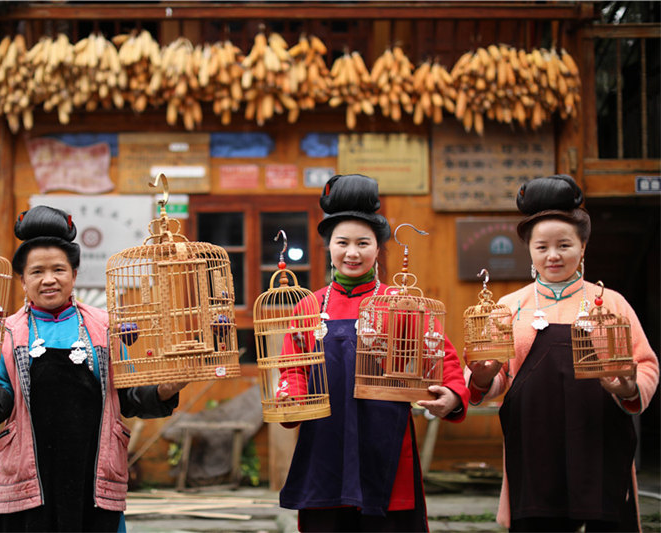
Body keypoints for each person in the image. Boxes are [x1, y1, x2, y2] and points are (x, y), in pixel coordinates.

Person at [0, 205, 186, 532]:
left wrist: (166, 388)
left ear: (75, 275)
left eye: (59, 269)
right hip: (29, 484)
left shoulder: (105, 328)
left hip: (93, 479)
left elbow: (130, 397)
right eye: (37, 272)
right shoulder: (7, 333)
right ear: (22, 279)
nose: (49, 279)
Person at [465, 175, 659, 532]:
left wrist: (629, 388)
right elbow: (496, 376)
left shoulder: (611, 302)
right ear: (530, 250)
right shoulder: (509, 306)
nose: (553, 255)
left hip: (600, 441)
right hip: (534, 445)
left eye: (564, 245)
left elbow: (645, 365)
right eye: (542, 247)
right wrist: (480, 378)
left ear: (583, 247)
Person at [277, 174, 470, 532]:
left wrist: (454, 393)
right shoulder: (309, 305)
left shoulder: (401, 304)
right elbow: (293, 368)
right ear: (329, 246)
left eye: (363, 243)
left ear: (378, 247)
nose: (352, 252)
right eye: (343, 242)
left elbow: (439, 354)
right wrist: (291, 398)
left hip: (386, 441)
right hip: (325, 442)